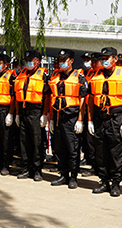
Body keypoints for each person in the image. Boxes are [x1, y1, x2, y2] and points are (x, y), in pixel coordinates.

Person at [88, 47, 122, 196]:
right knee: (100, 152)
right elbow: (90, 101)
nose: (104, 61)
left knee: (115, 152)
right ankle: (103, 181)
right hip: (100, 119)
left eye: (107, 58)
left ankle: (115, 183)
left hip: (116, 118)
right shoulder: (96, 77)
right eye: (102, 58)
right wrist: (89, 120)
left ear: (115, 59)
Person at [48, 49, 89, 189]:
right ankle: (63, 174)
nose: (61, 63)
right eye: (59, 60)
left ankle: (73, 177)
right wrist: (51, 119)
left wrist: (80, 119)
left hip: (72, 118)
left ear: (71, 61)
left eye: (64, 60)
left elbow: (83, 99)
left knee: (73, 149)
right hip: (59, 117)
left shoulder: (79, 77)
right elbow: (52, 99)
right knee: (60, 148)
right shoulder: (55, 77)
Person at [15, 49, 50, 182]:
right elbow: (18, 95)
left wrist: (44, 114)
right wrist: (17, 114)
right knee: (24, 141)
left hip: (36, 111)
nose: (28, 63)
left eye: (31, 60)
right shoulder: (22, 74)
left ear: (37, 61)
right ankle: (27, 168)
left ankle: (37, 170)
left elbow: (47, 96)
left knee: (36, 142)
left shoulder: (43, 74)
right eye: (27, 60)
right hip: (24, 111)